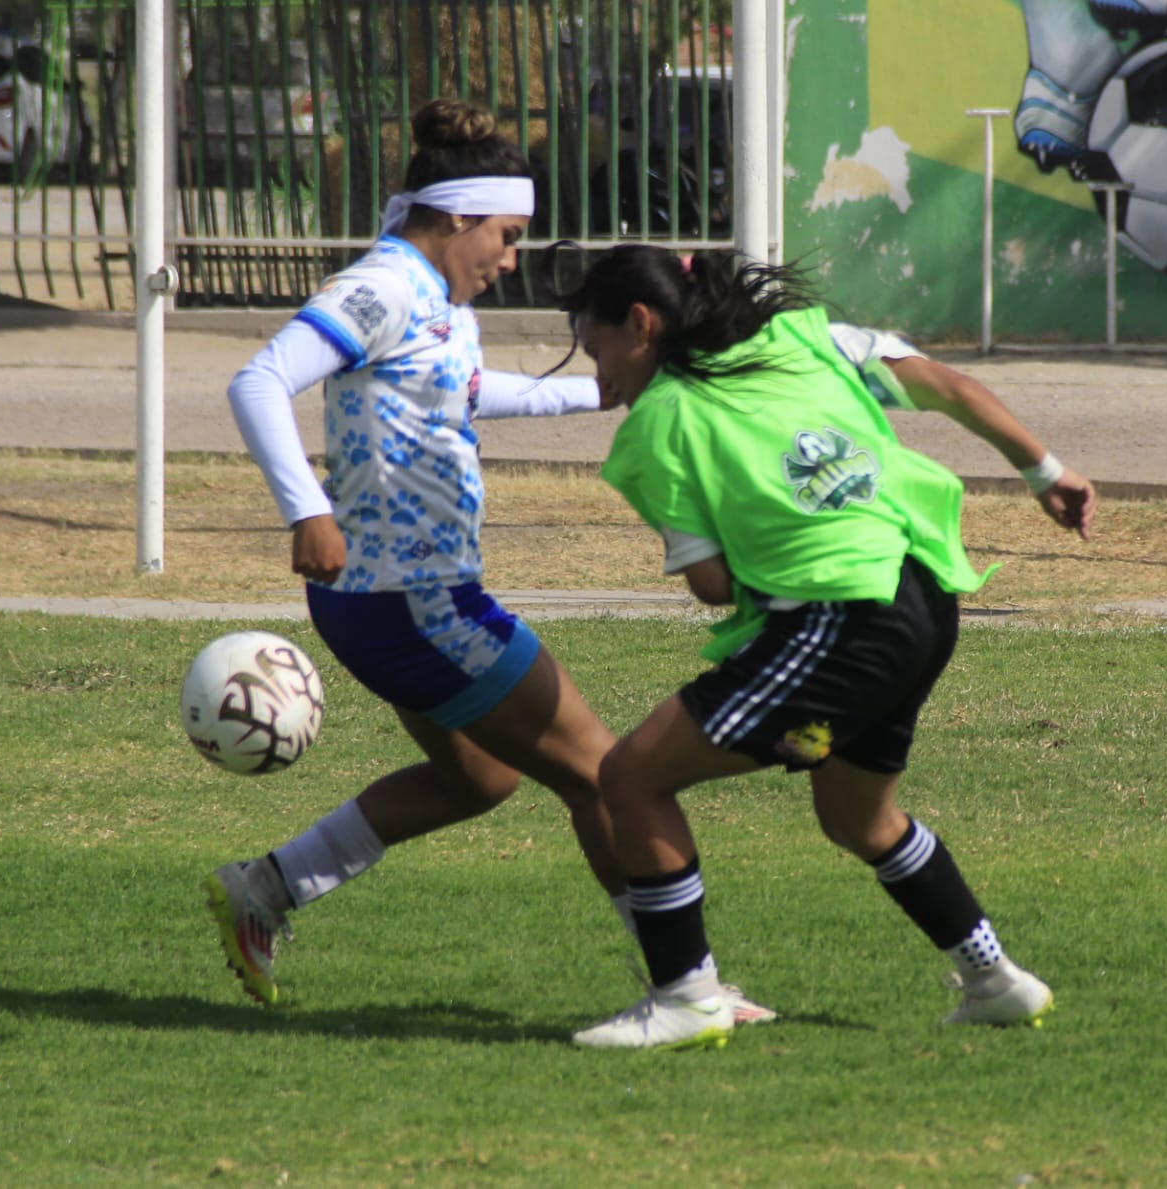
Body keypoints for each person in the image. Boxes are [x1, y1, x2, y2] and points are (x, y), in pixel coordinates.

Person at [202, 99, 773, 1025]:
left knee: (478, 778)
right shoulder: (386, 285)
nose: (510, 259)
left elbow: (464, 394)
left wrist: (598, 392)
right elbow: (260, 378)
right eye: (506, 236)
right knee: (605, 772)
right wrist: (306, 509)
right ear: (458, 215)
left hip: (389, 601)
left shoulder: (441, 302)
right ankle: (687, 984)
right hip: (414, 600)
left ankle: (266, 887)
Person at [558, 246, 1097, 1050]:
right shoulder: (809, 338)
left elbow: (711, 583)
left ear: (641, 325)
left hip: (842, 622)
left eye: (595, 349)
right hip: (923, 596)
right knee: (856, 817)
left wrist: (761, 525)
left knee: (629, 777)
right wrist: (1045, 471)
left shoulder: (657, 424)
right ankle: (996, 982)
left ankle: (686, 997)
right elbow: (949, 386)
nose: (598, 378)